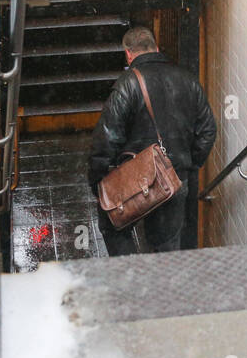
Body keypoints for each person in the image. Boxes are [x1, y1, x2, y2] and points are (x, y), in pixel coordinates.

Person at [89, 27, 217, 256]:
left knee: (114, 228)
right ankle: (164, 286)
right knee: (167, 245)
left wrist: (97, 181)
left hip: (136, 181)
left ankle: (132, 276)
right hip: (174, 178)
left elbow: (107, 138)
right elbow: (208, 130)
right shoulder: (188, 79)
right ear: (157, 48)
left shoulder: (127, 85)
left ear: (128, 54)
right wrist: (187, 164)